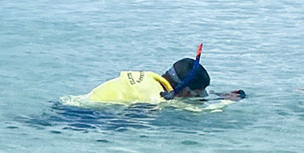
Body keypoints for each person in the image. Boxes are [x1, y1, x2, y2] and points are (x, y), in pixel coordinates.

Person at [82, 51, 245, 105]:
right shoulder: (155, 98)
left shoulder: (150, 79)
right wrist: (223, 103)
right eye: (198, 95)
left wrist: (218, 96)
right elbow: (185, 110)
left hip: (75, 105)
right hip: (87, 118)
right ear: (186, 91)